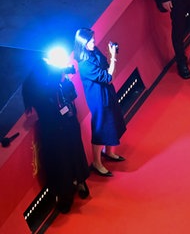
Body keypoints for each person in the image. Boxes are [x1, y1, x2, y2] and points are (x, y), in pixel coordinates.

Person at [22, 50, 90, 213]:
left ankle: (76, 185)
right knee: (64, 160)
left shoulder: (37, 83)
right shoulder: (39, 85)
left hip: (60, 125)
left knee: (69, 156)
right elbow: (50, 98)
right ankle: (68, 192)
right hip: (56, 128)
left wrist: (64, 79)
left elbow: (70, 95)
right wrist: (60, 78)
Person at [74, 28, 127, 177]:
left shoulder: (94, 51)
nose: (94, 42)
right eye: (90, 40)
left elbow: (109, 72)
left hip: (108, 93)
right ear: (83, 43)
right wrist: (113, 57)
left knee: (113, 121)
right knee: (100, 127)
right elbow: (108, 76)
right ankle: (97, 162)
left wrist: (111, 60)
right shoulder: (84, 64)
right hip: (98, 99)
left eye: (93, 39)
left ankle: (108, 152)